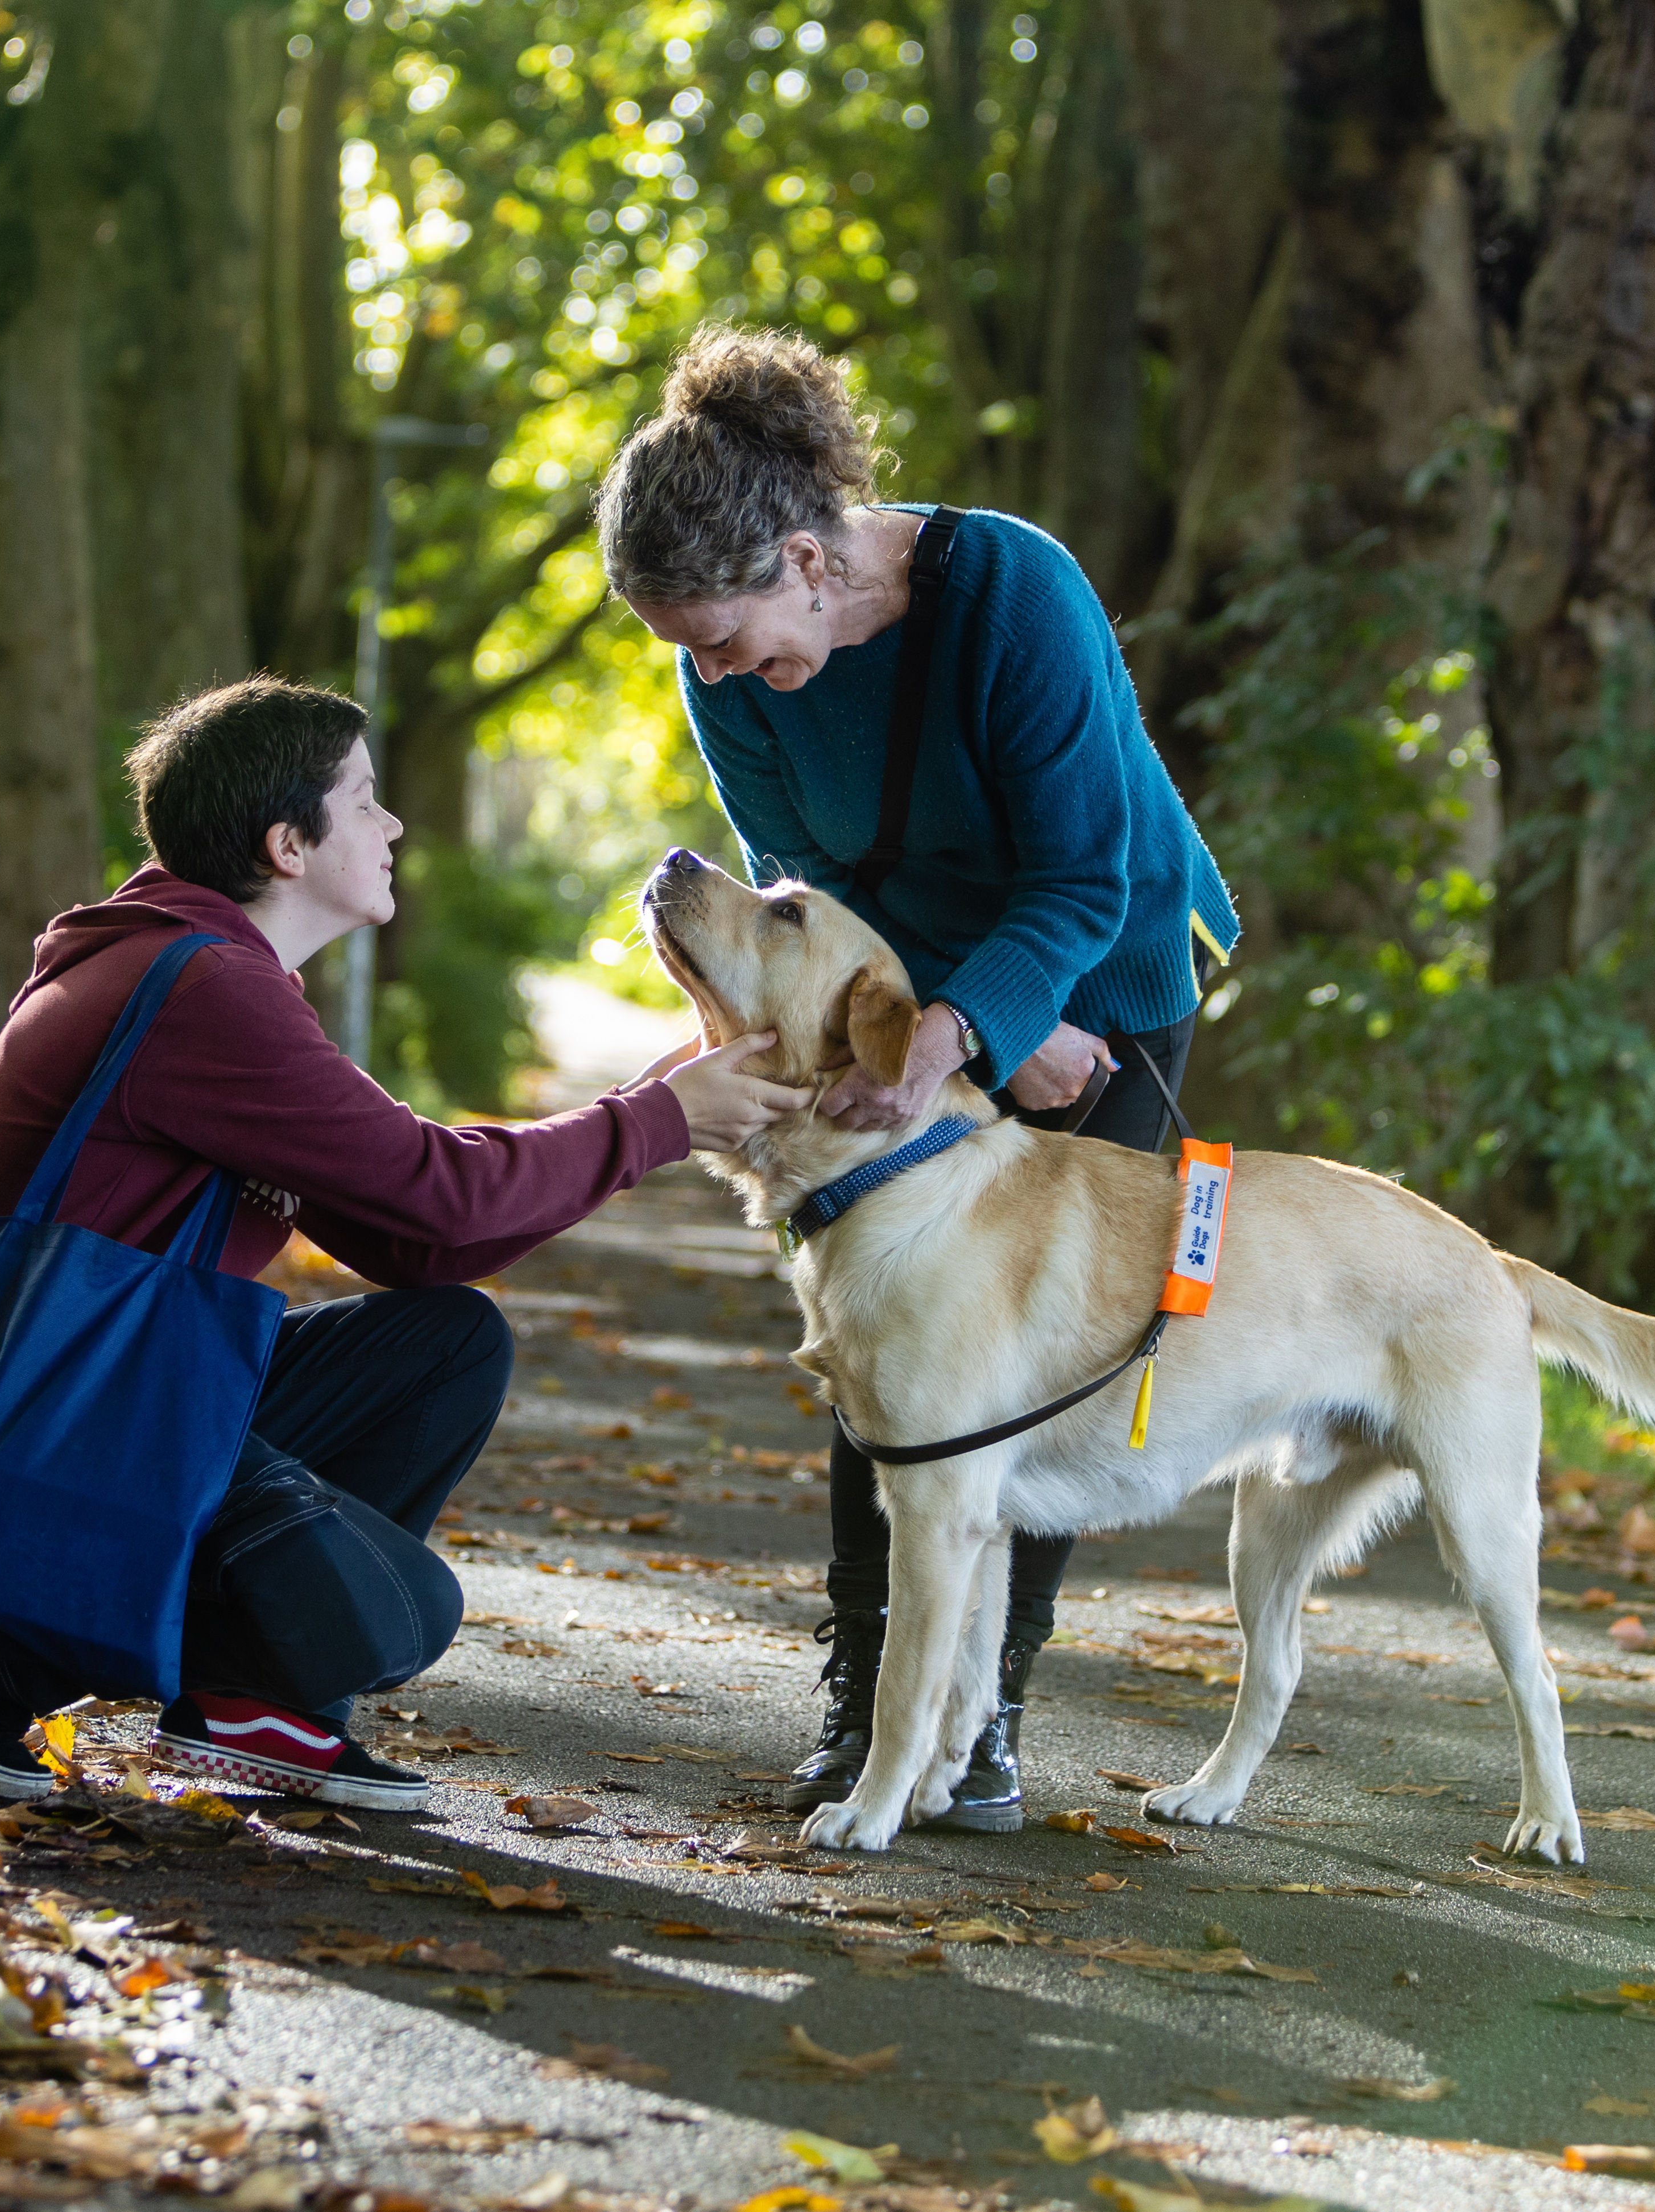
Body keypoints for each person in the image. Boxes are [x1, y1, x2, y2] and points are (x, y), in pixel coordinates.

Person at [0, 675, 807, 1811]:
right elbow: (441, 1199)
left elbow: (416, 1240)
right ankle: (7, 1636)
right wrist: (660, 1122)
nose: (394, 828)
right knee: (400, 1611)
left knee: (446, 1341)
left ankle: (255, 1701)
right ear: (288, 844)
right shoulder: (201, 991)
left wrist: (655, 1102)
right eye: (368, 801)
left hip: (116, 1387)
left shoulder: (207, 970)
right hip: (54, 1429)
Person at [594, 325, 1241, 1833]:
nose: (716, 677)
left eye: (731, 637)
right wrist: (929, 1024)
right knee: (884, 1341)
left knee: (1040, 1360)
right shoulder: (736, 674)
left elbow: (1085, 871)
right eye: (687, 649)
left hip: (1105, 965)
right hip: (925, 994)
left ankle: (992, 1714)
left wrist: (991, 1027)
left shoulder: (1016, 594)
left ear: (811, 561)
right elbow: (808, 891)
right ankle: (868, 1690)